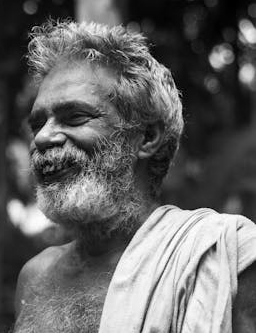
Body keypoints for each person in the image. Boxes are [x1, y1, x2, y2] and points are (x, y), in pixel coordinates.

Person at [13, 20, 256, 333]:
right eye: (37, 124)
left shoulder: (227, 255)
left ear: (147, 137)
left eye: (75, 117)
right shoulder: (35, 278)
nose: (43, 138)